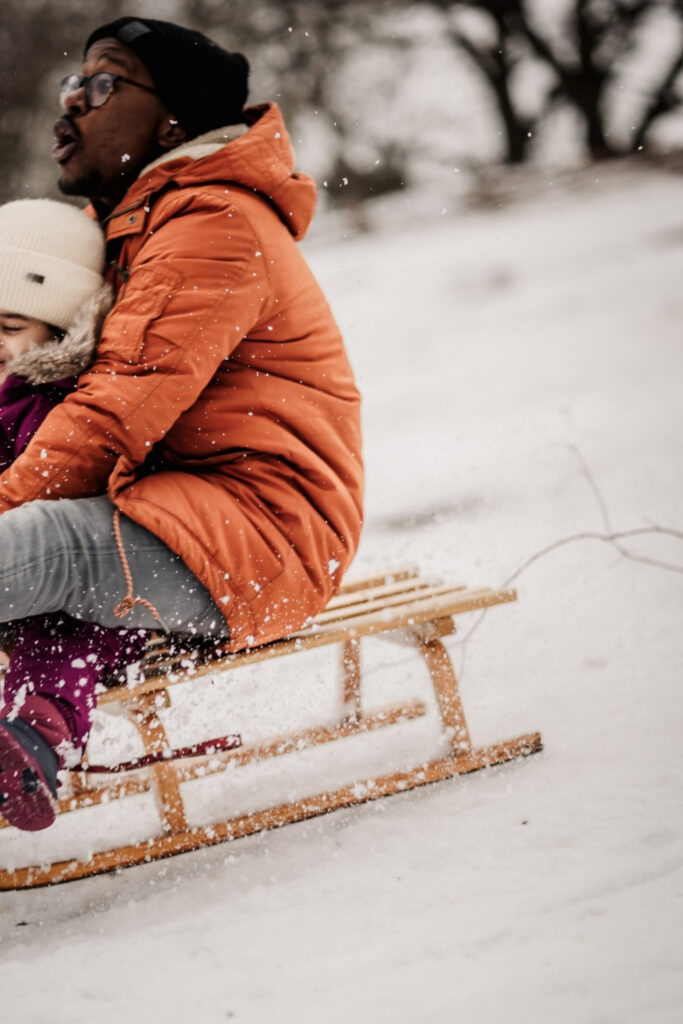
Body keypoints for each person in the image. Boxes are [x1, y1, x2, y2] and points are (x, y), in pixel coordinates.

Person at [0, 17, 363, 830]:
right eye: (72, 83)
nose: (70, 106)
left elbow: (112, 413)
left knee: (38, 547)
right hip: (180, 514)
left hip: (261, 535)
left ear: (172, 119)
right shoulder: (145, 223)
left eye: (101, 85)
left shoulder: (211, 222)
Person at [0, 198, 148, 831]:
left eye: (8, 326)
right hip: (18, 582)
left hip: (95, 591)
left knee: (59, 637)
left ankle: (37, 739)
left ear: (58, 332)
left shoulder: (65, 405)